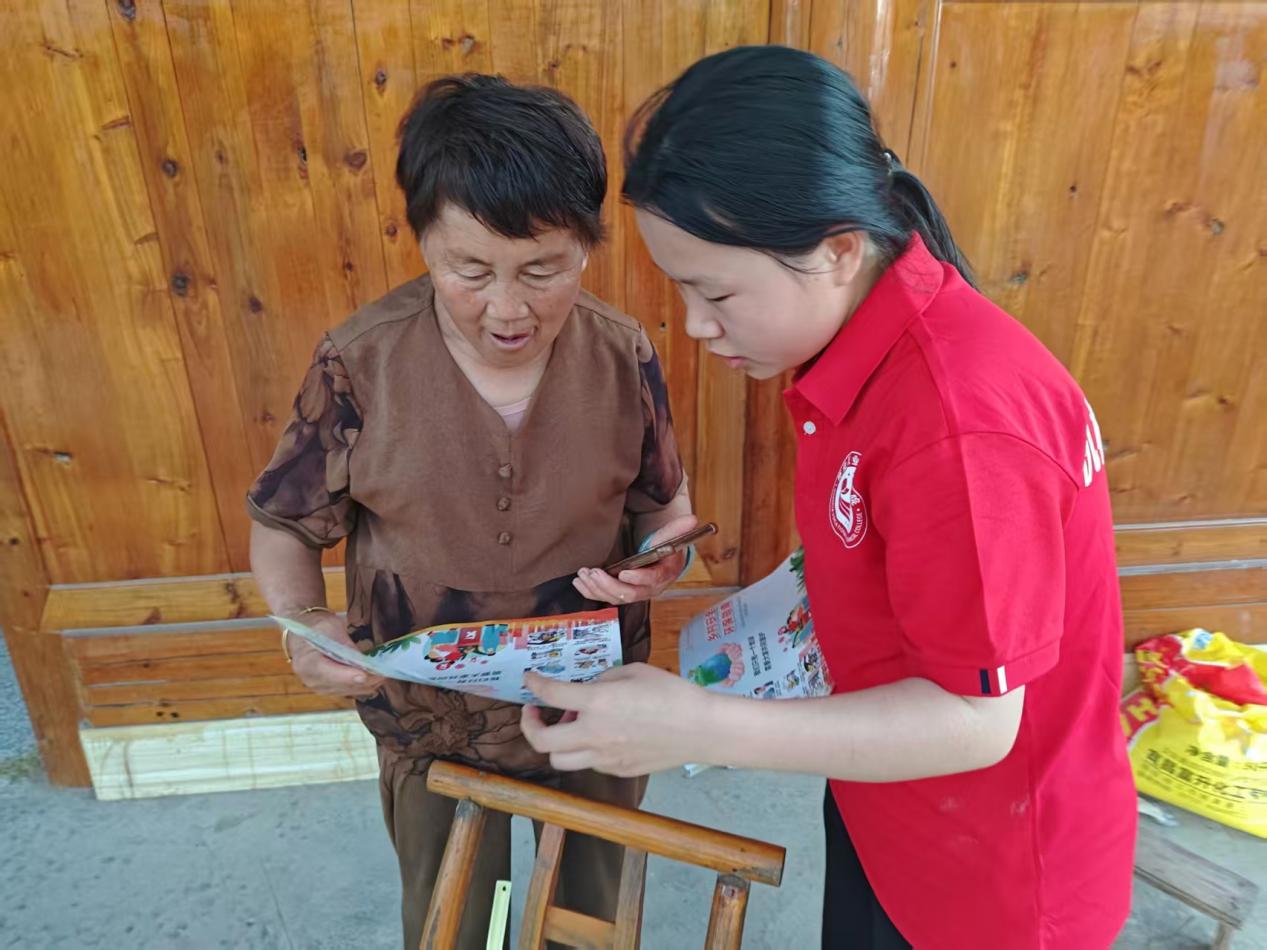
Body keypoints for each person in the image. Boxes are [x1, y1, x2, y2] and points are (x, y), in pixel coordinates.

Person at [521, 45, 1137, 949]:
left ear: (839, 250)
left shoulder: (958, 424)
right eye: (682, 289)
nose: (695, 325)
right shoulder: (861, 349)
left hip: (991, 875)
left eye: (715, 292)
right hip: (889, 801)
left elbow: (975, 721)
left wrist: (700, 727)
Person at [247, 74, 695, 950]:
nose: (508, 308)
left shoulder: (622, 355)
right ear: (422, 242)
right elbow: (281, 525)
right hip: (430, 720)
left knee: (589, 918)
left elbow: (661, 504)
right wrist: (303, 624)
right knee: (457, 924)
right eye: (470, 271)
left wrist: (664, 554)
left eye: (543, 270)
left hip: (593, 707)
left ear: (588, 245)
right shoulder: (359, 364)